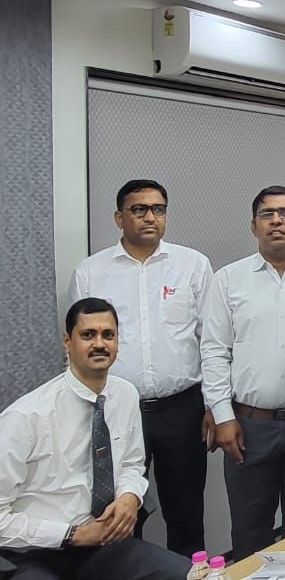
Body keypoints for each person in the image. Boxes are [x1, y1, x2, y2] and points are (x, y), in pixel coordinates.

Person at [68, 179, 213, 556]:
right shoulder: (91, 271)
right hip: (115, 411)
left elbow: (212, 341)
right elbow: (80, 348)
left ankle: (188, 573)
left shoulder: (192, 265)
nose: (150, 217)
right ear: (119, 218)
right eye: (139, 209)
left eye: (158, 209)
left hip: (182, 409)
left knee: (186, 512)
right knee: (119, 514)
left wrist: (215, 404)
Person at [0, 298, 190, 579]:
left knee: (187, 574)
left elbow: (132, 464)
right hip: (34, 554)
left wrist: (130, 497)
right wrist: (72, 534)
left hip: (102, 547)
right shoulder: (26, 417)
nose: (99, 344)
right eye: (88, 335)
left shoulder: (125, 395)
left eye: (108, 335)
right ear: (67, 341)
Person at [200, 186, 285, 559]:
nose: (276, 221)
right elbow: (214, 351)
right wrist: (222, 415)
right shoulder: (228, 279)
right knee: (250, 531)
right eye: (267, 214)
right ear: (253, 226)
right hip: (249, 426)